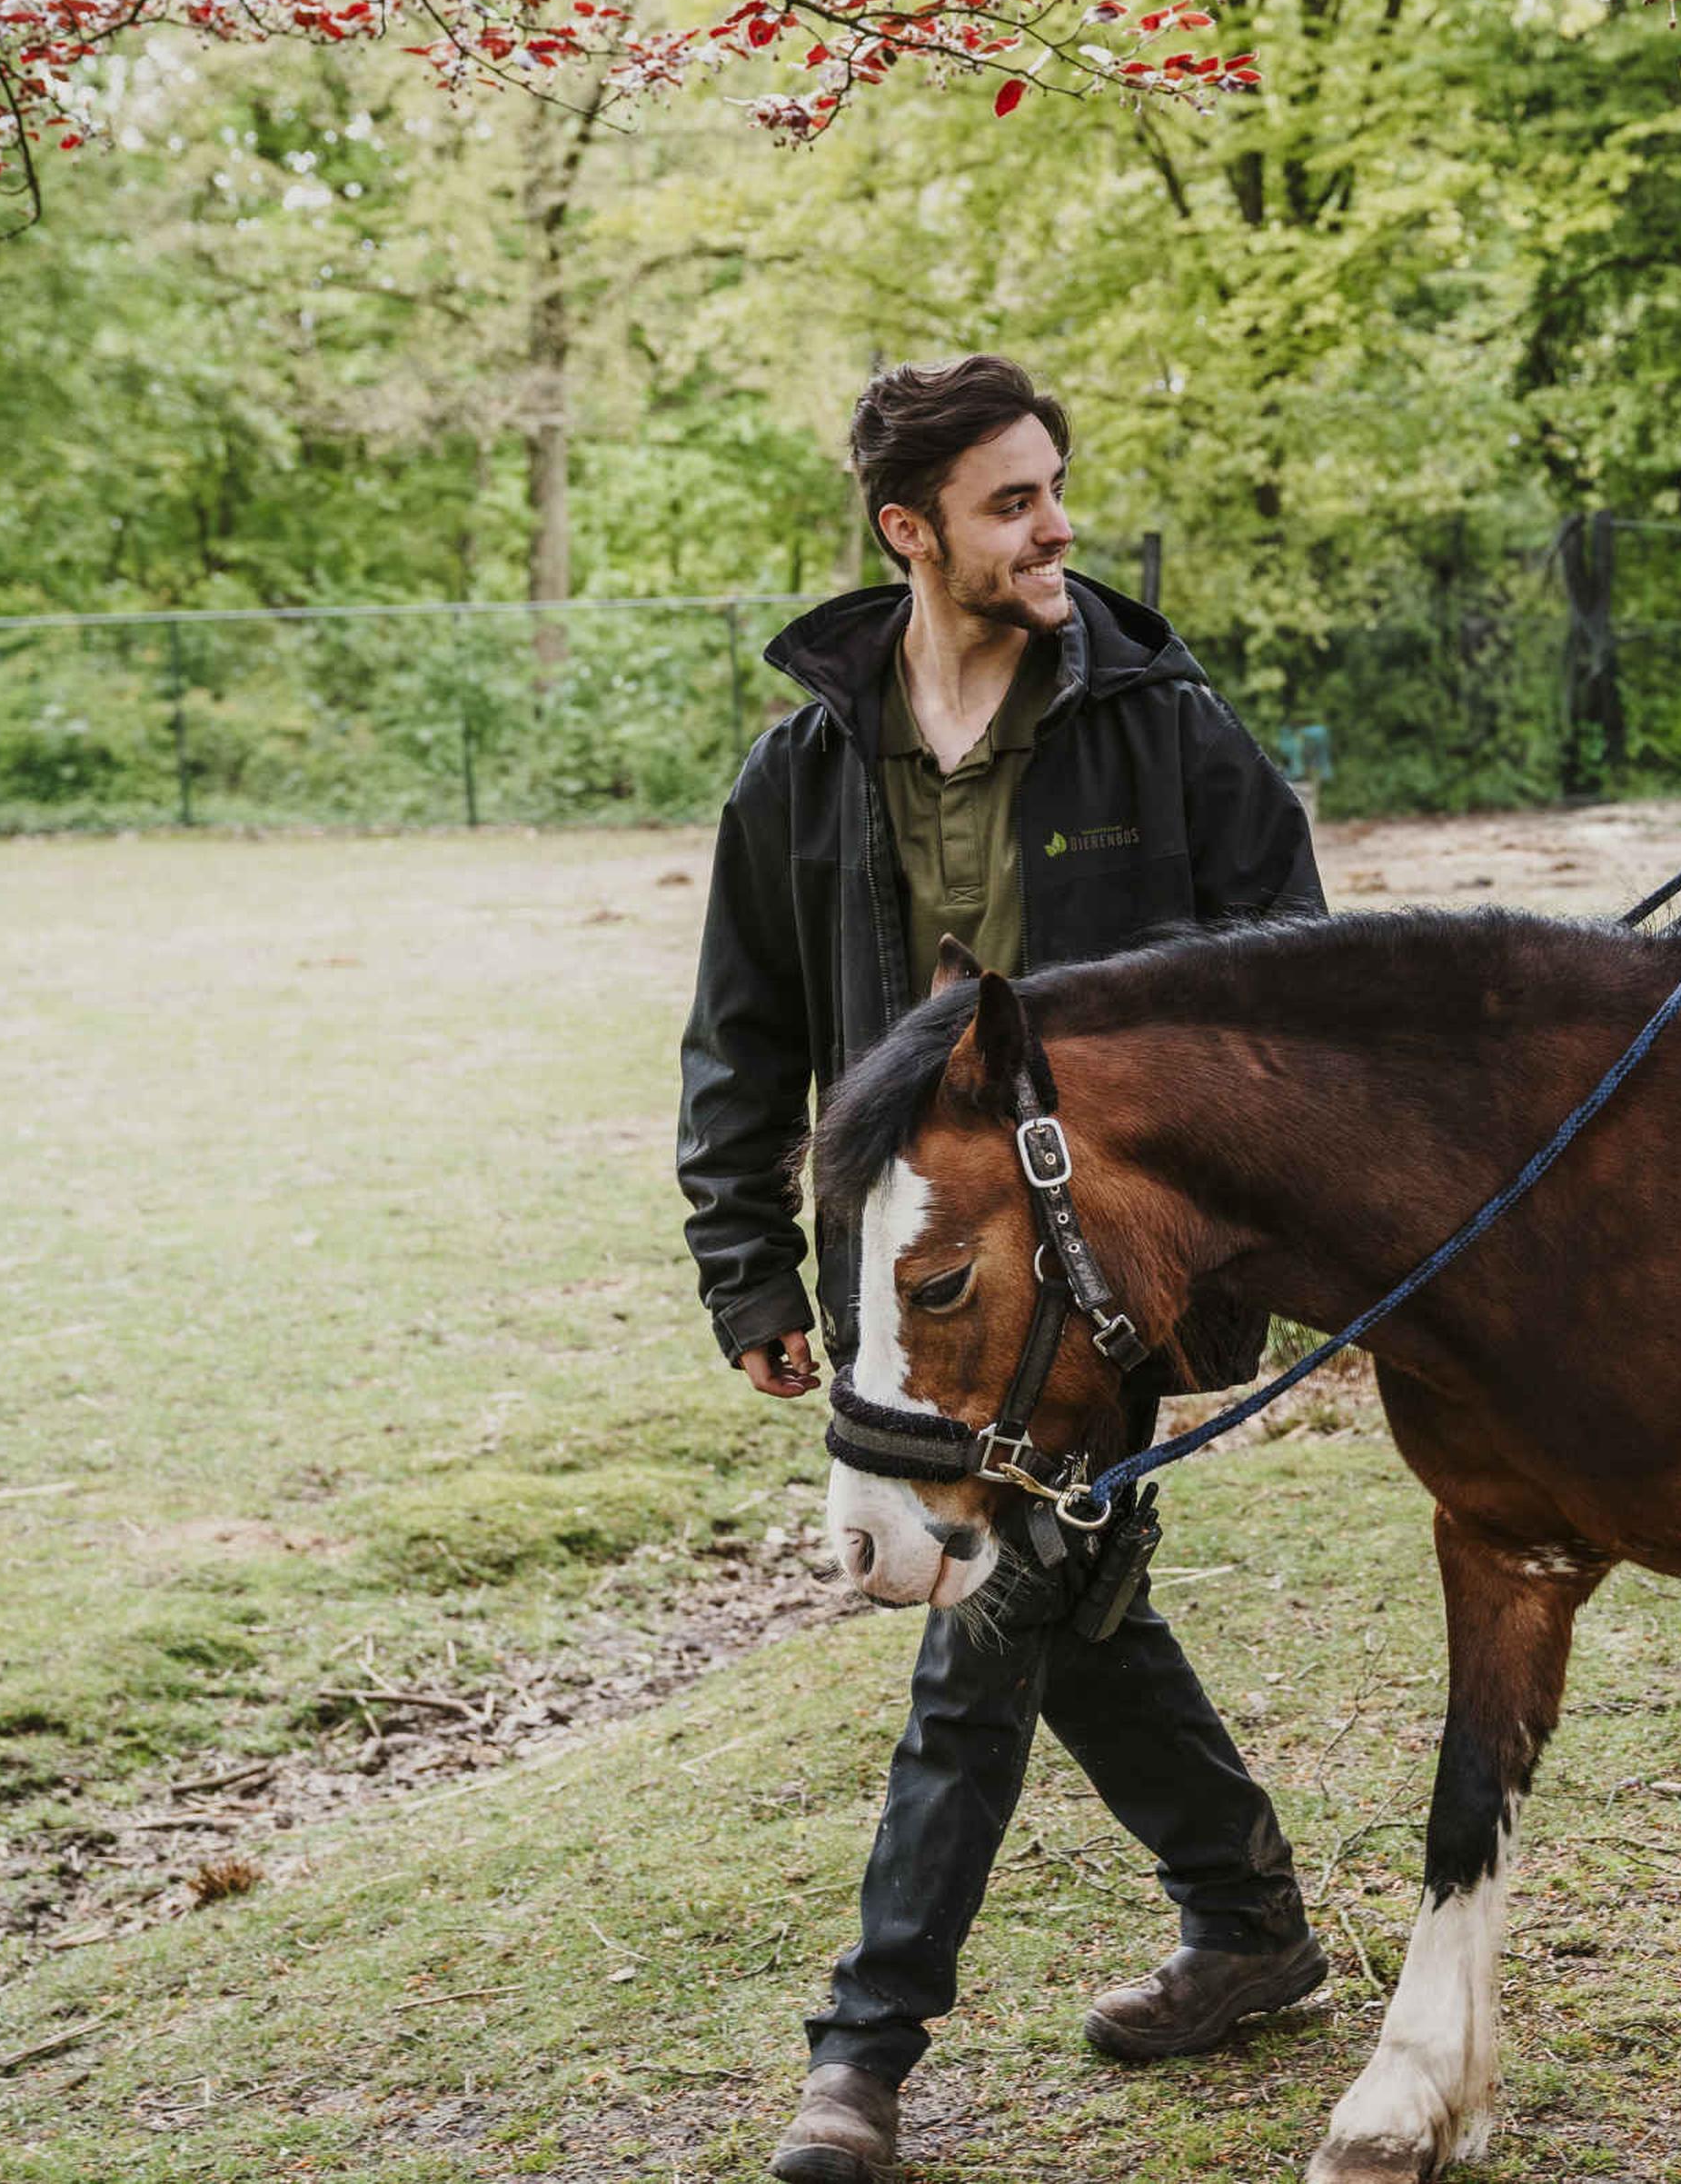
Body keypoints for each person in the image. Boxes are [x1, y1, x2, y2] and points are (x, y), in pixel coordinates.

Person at [677, 354, 1329, 2184]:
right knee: (1071, 1593)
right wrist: (751, 1273)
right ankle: (1248, 1922)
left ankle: (861, 2058)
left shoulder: (1162, 727)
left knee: (985, 1604)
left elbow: (1292, 972)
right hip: (922, 1289)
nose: (1057, 527)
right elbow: (739, 1044)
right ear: (911, 530)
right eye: (1012, 502)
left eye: (1056, 487)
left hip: (1108, 1278)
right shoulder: (805, 771)